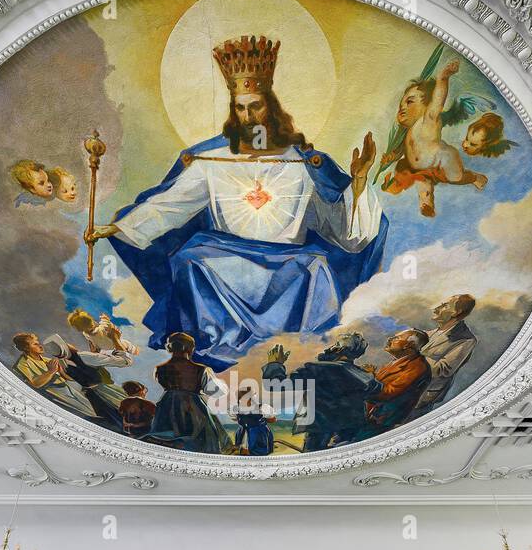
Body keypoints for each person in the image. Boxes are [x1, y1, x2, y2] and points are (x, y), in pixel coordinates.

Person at [85, 35, 387, 369]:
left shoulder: (303, 164)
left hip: (290, 259)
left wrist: (357, 182)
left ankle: (299, 355)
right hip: (222, 253)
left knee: (317, 268)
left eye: (255, 106)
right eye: (240, 108)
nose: (248, 116)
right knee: (189, 261)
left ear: (270, 108)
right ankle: (215, 344)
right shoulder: (212, 160)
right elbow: (172, 204)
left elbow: (344, 231)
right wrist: (118, 226)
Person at [379, 60, 489, 217]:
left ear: (427, 105)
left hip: (442, 161)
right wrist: (391, 156)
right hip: (420, 169)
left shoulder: (428, 120)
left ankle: (475, 177)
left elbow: (438, 99)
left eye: (409, 102)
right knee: (423, 185)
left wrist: (443, 77)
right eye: (401, 104)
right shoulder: (408, 132)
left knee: (457, 177)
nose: (402, 107)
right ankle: (426, 204)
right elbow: (401, 151)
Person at [263, 333, 383, 451]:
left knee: (312, 461)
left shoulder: (319, 368)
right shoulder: (362, 374)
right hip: (353, 429)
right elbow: (376, 390)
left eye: (335, 344)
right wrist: (370, 374)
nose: (329, 348)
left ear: (338, 349)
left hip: (321, 431)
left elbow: (275, 385)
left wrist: (275, 363)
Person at [148, 332, 230, 453]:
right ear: (189, 348)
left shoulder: (159, 369)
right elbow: (217, 392)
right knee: (202, 440)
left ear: (170, 347)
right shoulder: (201, 369)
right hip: (192, 407)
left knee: (166, 441)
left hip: (166, 406)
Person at [409, 293, 477, 416]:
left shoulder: (466, 340)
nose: (436, 309)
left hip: (419, 399)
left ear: (457, 312)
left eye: (444, 306)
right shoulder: (429, 334)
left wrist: (413, 355)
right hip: (400, 392)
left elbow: (443, 369)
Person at [363, 329, 431, 433]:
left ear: (409, 345)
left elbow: (387, 393)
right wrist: (372, 374)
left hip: (380, 420)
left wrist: (367, 379)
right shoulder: (398, 361)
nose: (390, 339)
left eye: (397, 338)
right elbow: (384, 382)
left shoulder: (416, 367)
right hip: (370, 411)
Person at [232, 386, 276, 455]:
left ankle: (249, 450)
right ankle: (245, 449)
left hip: (256, 433)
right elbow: (272, 419)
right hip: (253, 432)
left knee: (256, 449)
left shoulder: (237, 409)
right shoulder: (261, 408)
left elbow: (236, 419)